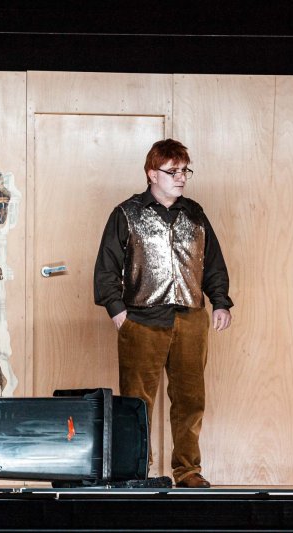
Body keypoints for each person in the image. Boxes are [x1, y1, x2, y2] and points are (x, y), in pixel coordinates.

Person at [94, 139, 233, 488]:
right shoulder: (126, 213)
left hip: (190, 318)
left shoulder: (196, 214)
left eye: (185, 170)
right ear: (152, 174)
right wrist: (117, 311)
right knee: (136, 402)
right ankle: (135, 471)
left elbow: (213, 263)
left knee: (190, 400)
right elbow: (106, 268)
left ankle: (187, 471)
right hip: (141, 320)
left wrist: (220, 301)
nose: (181, 177)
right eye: (173, 171)